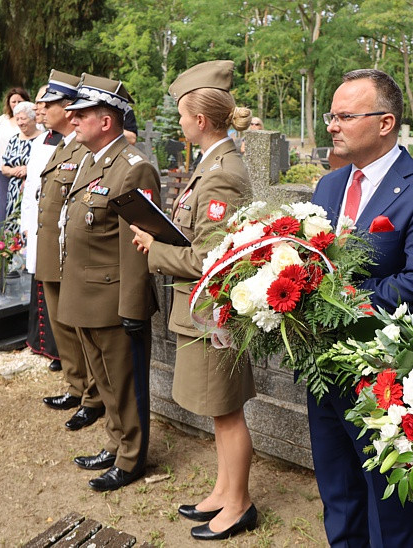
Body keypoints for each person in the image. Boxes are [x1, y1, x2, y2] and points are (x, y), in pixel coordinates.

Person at [308, 68, 413, 548]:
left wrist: (339, 300)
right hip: (321, 365)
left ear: (385, 122)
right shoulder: (329, 186)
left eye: (344, 116)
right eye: (331, 115)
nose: (332, 125)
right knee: (337, 487)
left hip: (381, 370)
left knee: (385, 498)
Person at [128, 60, 258, 541]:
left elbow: (209, 257)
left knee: (226, 413)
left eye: (182, 115)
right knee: (218, 412)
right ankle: (224, 492)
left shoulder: (222, 172)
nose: (180, 123)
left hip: (211, 314)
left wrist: (153, 248)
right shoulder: (214, 164)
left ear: (199, 121)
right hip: (201, 312)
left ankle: (239, 504)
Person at [60, 73, 161, 492]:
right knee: (104, 382)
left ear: (106, 121)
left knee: (125, 383)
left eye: (81, 114)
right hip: (84, 295)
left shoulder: (134, 169)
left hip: (114, 298)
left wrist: (133, 306)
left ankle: (133, 458)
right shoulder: (90, 160)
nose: (72, 119)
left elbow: (136, 246)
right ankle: (117, 444)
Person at [36, 70, 104, 428]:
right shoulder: (61, 145)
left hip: (71, 250)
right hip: (51, 246)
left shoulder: (83, 147)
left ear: (67, 107)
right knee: (62, 325)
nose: (42, 109)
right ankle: (76, 385)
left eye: (49, 104)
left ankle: (93, 396)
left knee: (80, 326)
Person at [20, 85, 61, 369]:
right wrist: (25, 222)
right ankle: (39, 341)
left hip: (55, 226)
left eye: (43, 104)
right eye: (36, 104)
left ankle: (59, 350)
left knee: (55, 288)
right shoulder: (39, 140)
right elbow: (30, 186)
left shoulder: (69, 140)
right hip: (35, 221)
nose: (38, 109)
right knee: (38, 282)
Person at [0, 101, 41, 234]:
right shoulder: (14, 139)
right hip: (14, 191)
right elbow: (4, 167)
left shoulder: (43, 138)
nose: (20, 122)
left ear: (34, 118)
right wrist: (14, 170)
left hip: (35, 189)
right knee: (13, 224)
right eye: (17, 119)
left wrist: (29, 170)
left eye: (23, 118)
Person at [0, 87, 31, 226]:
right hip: (4, 168)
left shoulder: (31, 120)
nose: (16, 104)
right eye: (13, 101)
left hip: (22, 169)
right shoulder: (2, 119)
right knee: (3, 204)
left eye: (19, 101)